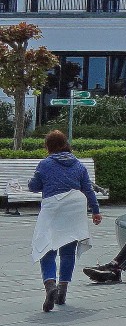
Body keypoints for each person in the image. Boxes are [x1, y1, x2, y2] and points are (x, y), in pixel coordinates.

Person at [28, 131, 102, 311]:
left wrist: (32, 182)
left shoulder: (45, 164)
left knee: (46, 248)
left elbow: (34, 186)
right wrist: (96, 211)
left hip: (53, 207)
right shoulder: (78, 165)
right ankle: (62, 290)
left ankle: (50, 285)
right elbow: (88, 190)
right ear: (65, 144)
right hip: (75, 208)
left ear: (48, 146)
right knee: (68, 252)